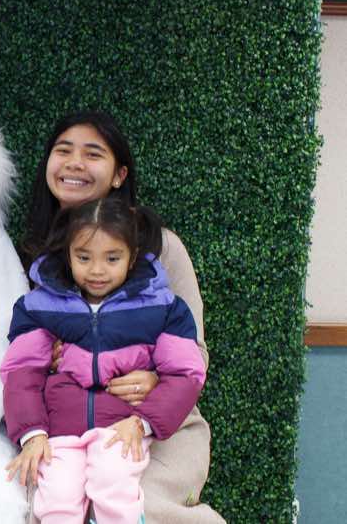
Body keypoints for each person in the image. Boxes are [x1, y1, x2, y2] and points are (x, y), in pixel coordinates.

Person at [17, 110, 224, 523]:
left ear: (118, 175)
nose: (75, 163)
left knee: (129, 502)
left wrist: (155, 379)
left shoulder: (161, 247)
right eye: (63, 151)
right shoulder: (35, 256)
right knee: (43, 502)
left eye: (93, 154)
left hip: (150, 422)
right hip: (60, 425)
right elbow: (20, 361)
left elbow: (192, 355)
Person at [0, 196, 206, 524]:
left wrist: (142, 422)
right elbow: (22, 372)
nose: (97, 270)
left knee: (113, 484)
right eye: (84, 257)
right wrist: (32, 433)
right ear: (68, 254)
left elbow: (185, 373)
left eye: (112, 258)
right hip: (59, 432)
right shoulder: (40, 306)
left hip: (122, 427)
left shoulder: (163, 307)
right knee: (56, 498)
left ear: (132, 257)